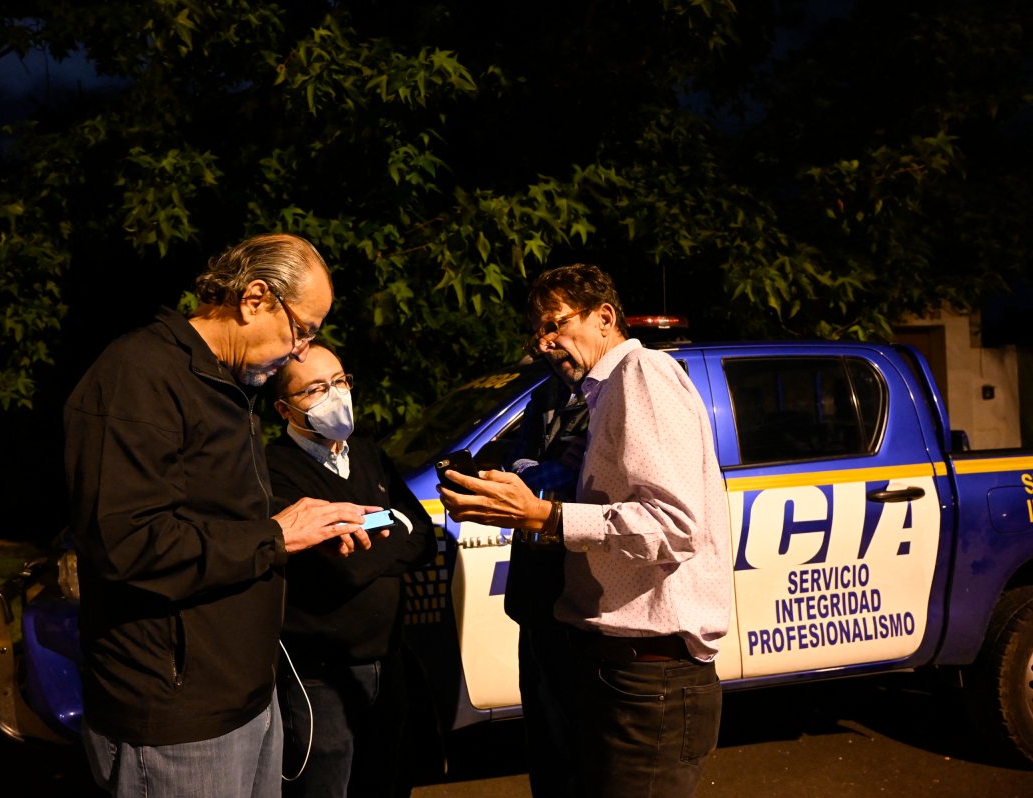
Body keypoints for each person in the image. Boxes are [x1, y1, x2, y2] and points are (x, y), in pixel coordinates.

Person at [64, 233, 383, 798]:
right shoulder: (138, 377)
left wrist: (299, 523)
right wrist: (274, 537)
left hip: (247, 697)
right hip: (178, 717)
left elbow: (214, 517)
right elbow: (127, 543)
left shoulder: (225, 386)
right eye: (302, 329)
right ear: (256, 298)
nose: (303, 351)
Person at [439, 263, 731, 798]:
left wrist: (544, 517)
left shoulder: (641, 375)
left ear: (604, 317)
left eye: (555, 324)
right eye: (537, 332)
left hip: (653, 676)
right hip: (615, 666)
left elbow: (673, 525)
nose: (545, 343)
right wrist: (495, 494)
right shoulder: (598, 395)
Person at [265, 343, 436, 798]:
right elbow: (335, 573)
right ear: (285, 407)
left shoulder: (367, 453)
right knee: (325, 787)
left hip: (389, 660)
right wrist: (391, 528)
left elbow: (423, 539)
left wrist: (368, 541)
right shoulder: (274, 471)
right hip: (319, 675)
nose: (336, 395)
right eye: (316, 389)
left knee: (388, 782)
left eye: (340, 381)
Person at [501, 358, 588, 798]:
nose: (544, 343)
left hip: (585, 601)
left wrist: (536, 473)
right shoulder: (547, 392)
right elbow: (512, 463)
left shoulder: (616, 393)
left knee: (582, 746)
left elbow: (592, 482)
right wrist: (545, 471)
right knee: (547, 741)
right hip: (536, 595)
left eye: (553, 327)